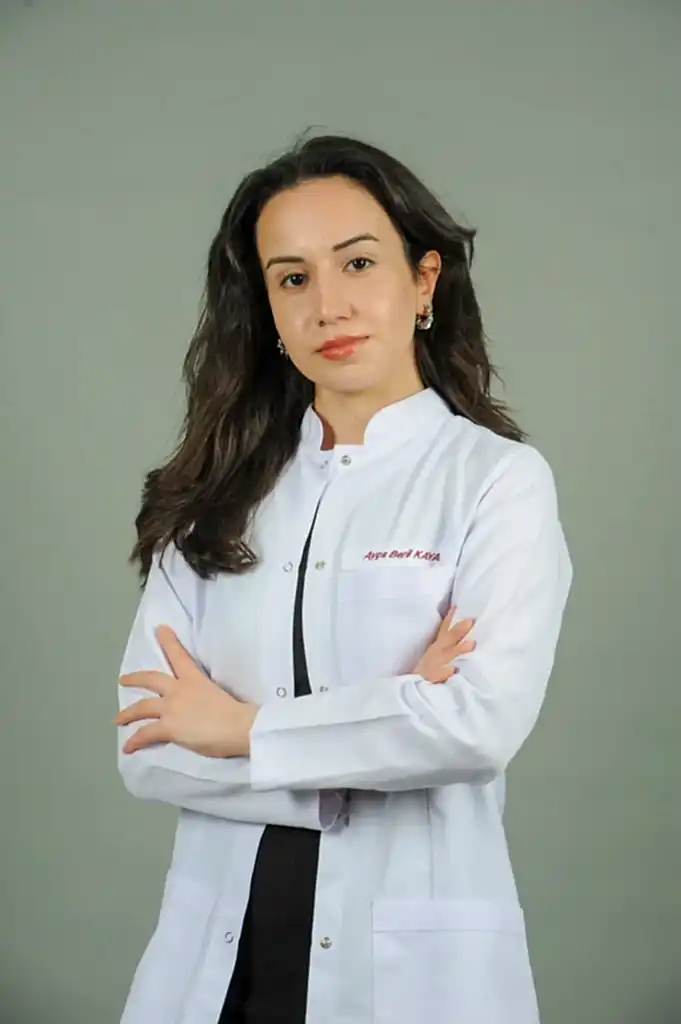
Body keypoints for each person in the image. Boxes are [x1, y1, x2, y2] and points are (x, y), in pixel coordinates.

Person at [113, 132, 573, 1024]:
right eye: (292, 279)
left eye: (357, 263)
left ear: (424, 280)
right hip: (217, 964)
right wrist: (390, 723)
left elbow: (474, 728)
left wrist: (239, 729)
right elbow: (151, 749)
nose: (328, 305)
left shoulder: (495, 481)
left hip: (407, 972)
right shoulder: (211, 494)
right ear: (268, 312)